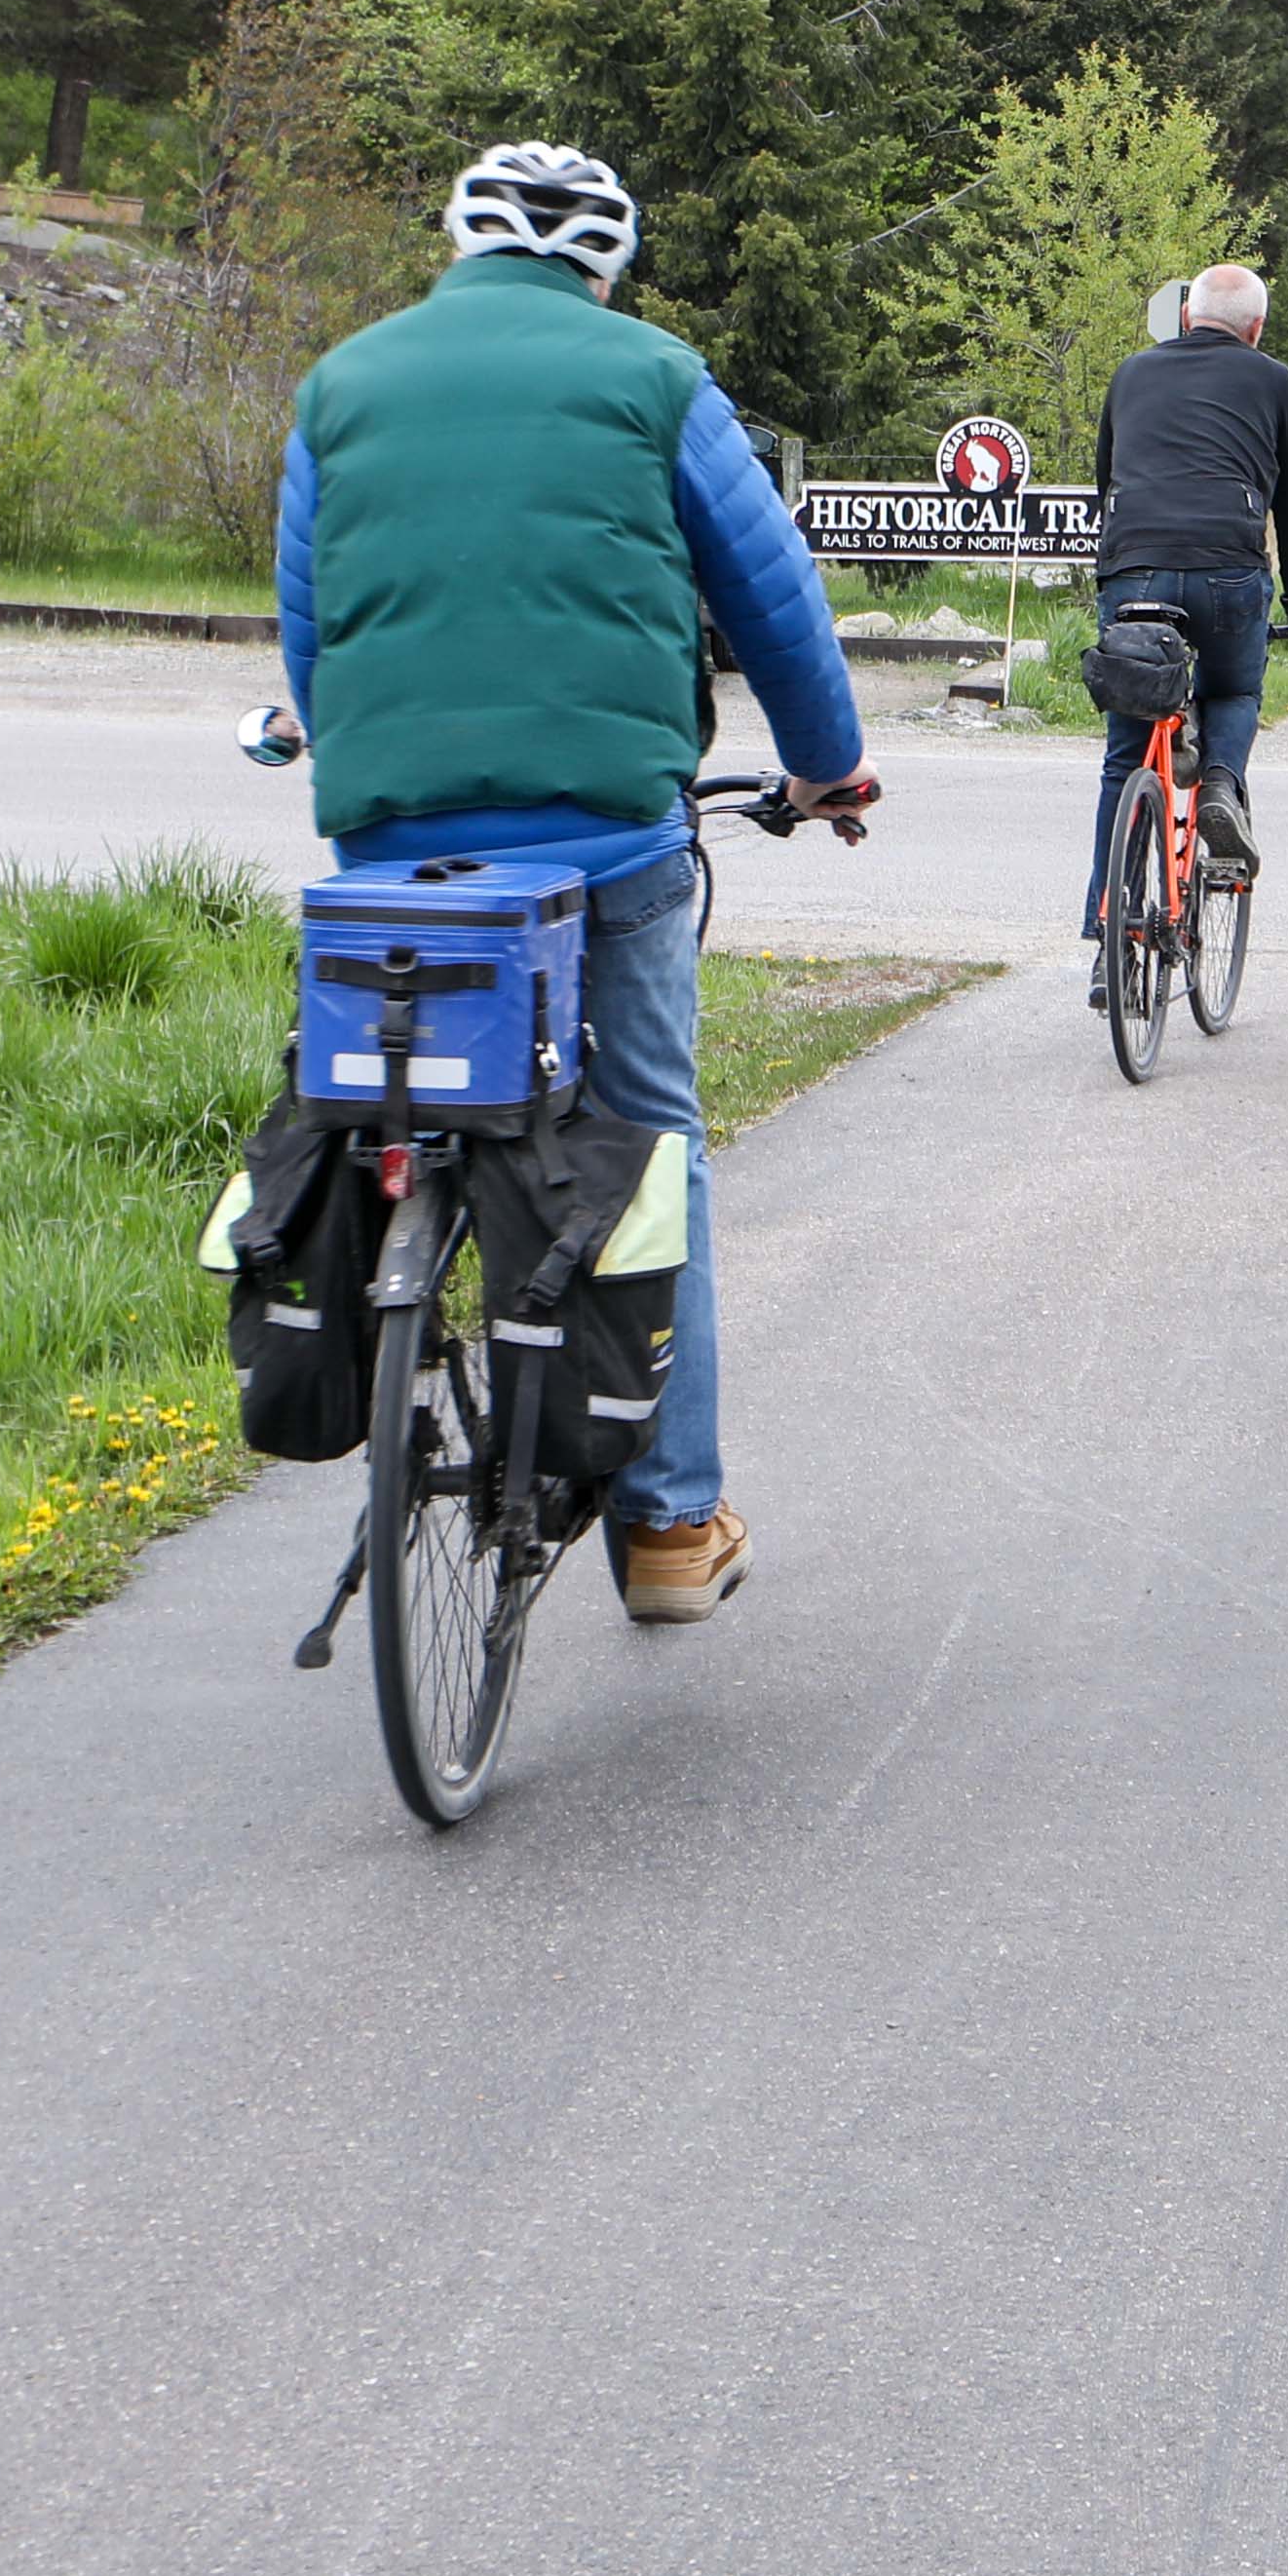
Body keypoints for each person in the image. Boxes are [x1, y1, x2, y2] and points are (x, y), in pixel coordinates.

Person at [269, 140, 872, 1627]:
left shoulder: (340, 384)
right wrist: (825, 766)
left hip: (397, 848)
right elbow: (771, 592)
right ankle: (668, 1530)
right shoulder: (654, 375)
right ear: (601, 266)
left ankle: (401, 1288)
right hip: (608, 841)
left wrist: (354, 756)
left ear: (459, 247)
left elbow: (311, 627)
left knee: (406, 1094)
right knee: (653, 1142)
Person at [1080, 257, 1288, 992]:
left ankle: (1106, 939)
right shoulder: (1273, 379)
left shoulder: (1129, 373)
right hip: (1228, 574)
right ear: (1255, 329)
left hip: (1134, 573)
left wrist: (1127, 568)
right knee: (1232, 692)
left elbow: (1107, 484)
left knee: (1124, 760)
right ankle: (1219, 783)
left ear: (1186, 317)